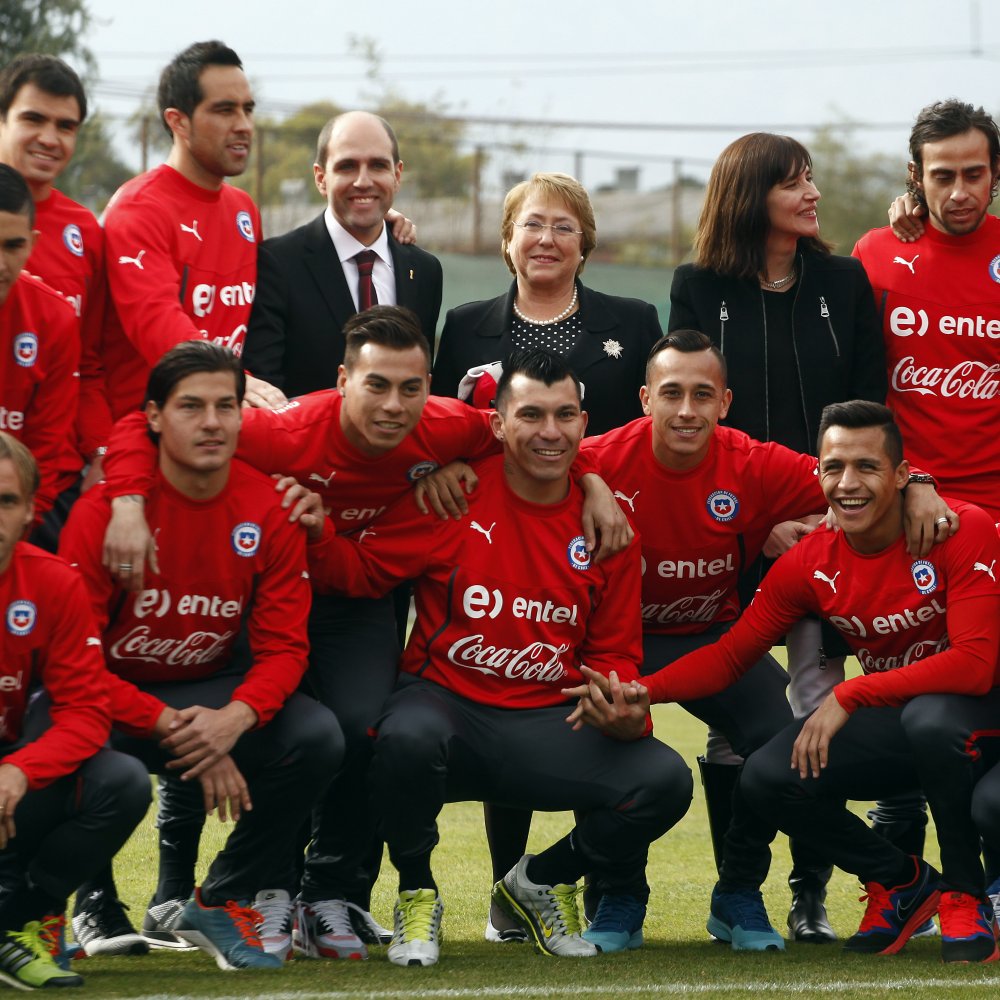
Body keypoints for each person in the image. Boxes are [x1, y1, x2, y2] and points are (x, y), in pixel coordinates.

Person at [97, 304, 629, 961]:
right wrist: (127, 503)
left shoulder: (446, 426)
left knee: (362, 725)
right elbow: (138, 426)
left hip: (358, 590)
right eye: (376, 385)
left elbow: (537, 434)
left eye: (410, 388)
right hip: (268, 591)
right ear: (343, 379)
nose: (393, 405)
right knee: (281, 730)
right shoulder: (284, 433)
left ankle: (334, 893)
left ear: (428, 387)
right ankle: (265, 890)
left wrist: (592, 480)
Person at [569, 400, 1000, 964]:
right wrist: (647, 690)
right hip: (912, 721)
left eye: (867, 467)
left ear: (901, 475)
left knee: (937, 725)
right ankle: (901, 881)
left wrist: (850, 692)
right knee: (770, 777)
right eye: (833, 468)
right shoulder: (810, 560)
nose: (848, 484)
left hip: (980, 714)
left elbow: (974, 665)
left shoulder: (961, 528)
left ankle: (968, 893)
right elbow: (730, 656)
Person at [304, 347, 692, 967]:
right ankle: (415, 894)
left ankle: (537, 882)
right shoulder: (454, 496)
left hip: (546, 723)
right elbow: (362, 570)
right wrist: (314, 529)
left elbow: (614, 651)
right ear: (498, 424)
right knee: (400, 735)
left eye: (564, 415)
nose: (549, 432)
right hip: (449, 712)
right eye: (531, 415)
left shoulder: (608, 527)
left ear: (584, 424)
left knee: (665, 780)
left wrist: (623, 707)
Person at [667, 132, 916, 927]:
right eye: (794, 182)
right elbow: (694, 414)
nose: (812, 194)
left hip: (839, 528)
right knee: (736, 724)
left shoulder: (843, 280)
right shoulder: (697, 285)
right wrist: (762, 526)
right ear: (751, 196)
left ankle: (811, 893)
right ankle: (738, 892)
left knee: (815, 707)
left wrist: (835, 511)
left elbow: (871, 404)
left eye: (810, 179)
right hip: (737, 539)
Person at [59, 342, 343, 971]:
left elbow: (284, 649)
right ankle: (60, 901)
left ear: (243, 415)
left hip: (208, 692)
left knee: (318, 735)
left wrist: (235, 719)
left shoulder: (269, 507)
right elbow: (73, 668)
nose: (211, 422)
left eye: (225, 406)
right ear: (154, 417)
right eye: (191, 406)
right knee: (49, 728)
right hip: (111, 700)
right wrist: (181, 729)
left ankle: (220, 898)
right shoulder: (105, 515)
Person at [0, 431, 150, 990]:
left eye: (6, 501)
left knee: (121, 782)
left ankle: (18, 920)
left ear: (30, 513)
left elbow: (86, 710)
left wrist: (20, 771)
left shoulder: (52, 582)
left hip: (10, 773)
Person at [100, 39, 284, 417]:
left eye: (247, 109)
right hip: (150, 429)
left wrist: (374, 230)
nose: (243, 125)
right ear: (178, 121)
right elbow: (159, 325)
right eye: (225, 110)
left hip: (223, 420)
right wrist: (235, 380)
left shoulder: (243, 209)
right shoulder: (139, 209)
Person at [432, 172, 662, 436]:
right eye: (533, 224)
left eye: (563, 228)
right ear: (508, 239)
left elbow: (654, 427)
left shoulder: (634, 322)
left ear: (583, 245)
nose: (546, 239)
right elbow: (442, 429)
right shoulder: (464, 326)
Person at [244, 111, 441, 397]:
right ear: (321, 178)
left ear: (397, 175)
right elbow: (267, 389)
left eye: (377, 165)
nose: (363, 181)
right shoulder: (277, 263)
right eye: (347, 166)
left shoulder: (424, 271)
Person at [0, 54, 109, 518]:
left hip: (50, 485)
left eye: (65, 126)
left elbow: (90, 364)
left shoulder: (85, 230)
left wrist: (103, 452)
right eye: (33, 119)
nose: (49, 138)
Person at [0, 164, 80, 533]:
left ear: (33, 242)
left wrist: (16, 533)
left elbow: (45, 453)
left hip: (19, 516)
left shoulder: (55, 318)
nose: (1, 264)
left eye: (13, 246)